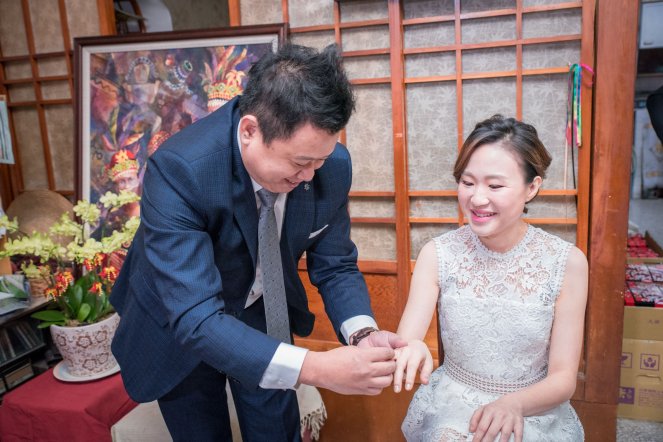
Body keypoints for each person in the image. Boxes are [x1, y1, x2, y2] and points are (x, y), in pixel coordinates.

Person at [110, 43, 404, 442]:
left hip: (261, 309)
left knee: (276, 431)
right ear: (250, 131)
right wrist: (317, 368)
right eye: (299, 162)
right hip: (180, 317)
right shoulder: (181, 170)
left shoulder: (329, 167)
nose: (310, 176)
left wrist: (362, 334)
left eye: (319, 160)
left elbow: (335, 264)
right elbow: (197, 317)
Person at [394, 115, 588, 441]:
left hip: (531, 408)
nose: (477, 198)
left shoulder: (566, 262)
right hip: (452, 405)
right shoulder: (438, 253)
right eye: (467, 182)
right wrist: (412, 348)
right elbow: (407, 338)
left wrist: (513, 404)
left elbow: (564, 378)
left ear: (532, 187)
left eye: (495, 186)